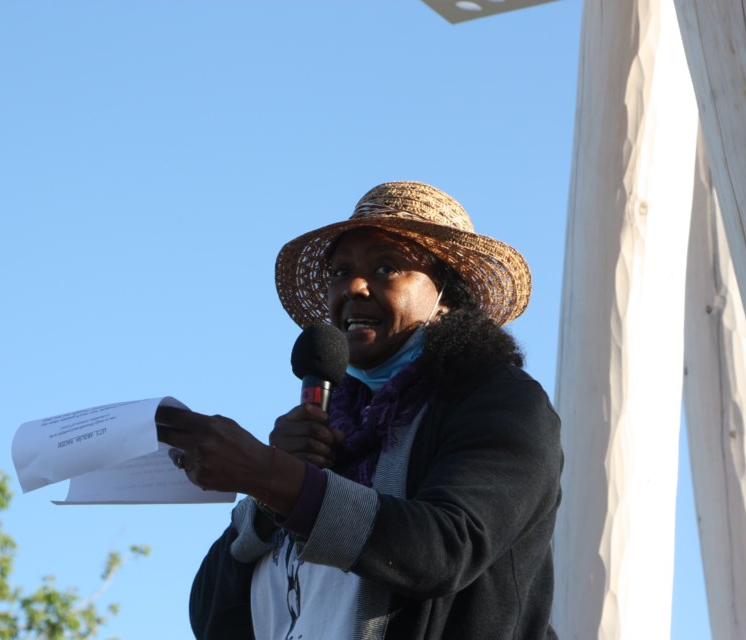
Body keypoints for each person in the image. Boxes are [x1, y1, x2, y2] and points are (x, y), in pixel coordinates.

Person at [156, 181, 563, 639]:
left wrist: (274, 479)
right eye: (340, 271)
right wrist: (268, 503)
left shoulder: (499, 400)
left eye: (386, 267)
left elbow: (446, 548)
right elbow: (211, 619)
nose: (352, 287)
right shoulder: (325, 427)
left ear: (447, 294)